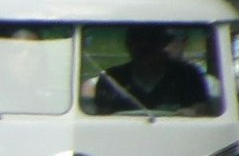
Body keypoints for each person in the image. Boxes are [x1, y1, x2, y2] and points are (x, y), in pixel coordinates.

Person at [82, 24, 214, 115]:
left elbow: (202, 109)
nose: (144, 49)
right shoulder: (112, 78)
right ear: (129, 45)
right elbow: (103, 115)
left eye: (151, 42)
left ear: (162, 44)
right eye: (137, 42)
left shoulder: (188, 75)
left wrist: (192, 112)